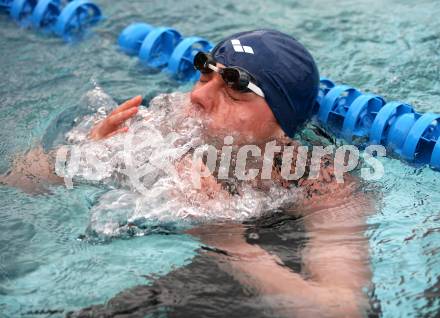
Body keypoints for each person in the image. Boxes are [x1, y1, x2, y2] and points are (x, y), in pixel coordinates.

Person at [1, 30, 378, 317]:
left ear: (281, 125)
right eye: (204, 74)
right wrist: (79, 153)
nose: (197, 97)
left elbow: (341, 307)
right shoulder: (164, 124)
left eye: (234, 89)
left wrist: (225, 239)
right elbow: (14, 184)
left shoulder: (321, 184)